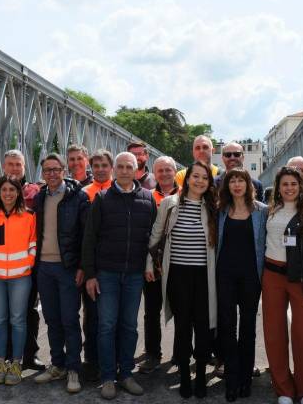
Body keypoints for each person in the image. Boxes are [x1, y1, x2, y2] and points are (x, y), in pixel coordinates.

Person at [82, 152, 157, 400]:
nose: (125, 171)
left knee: (129, 326)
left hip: (134, 274)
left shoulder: (148, 199)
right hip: (107, 274)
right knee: (106, 325)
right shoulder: (102, 199)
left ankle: (125, 373)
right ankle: (107, 377)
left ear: (137, 170)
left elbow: (153, 240)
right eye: (121, 166)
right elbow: (90, 238)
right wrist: (91, 275)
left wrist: (151, 266)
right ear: (115, 170)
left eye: (129, 167)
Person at [146, 161, 218, 399]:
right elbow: (156, 236)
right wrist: (149, 265)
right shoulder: (170, 204)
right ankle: (185, 375)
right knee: (183, 326)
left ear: (209, 183)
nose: (199, 181)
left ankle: (200, 373)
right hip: (177, 275)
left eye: (204, 178)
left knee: (203, 326)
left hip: (204, 275)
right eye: (195, 176)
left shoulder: (213, 206)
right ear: (186, 179)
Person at [263, 166, 303, 404]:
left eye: (293, 184)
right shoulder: (269, 211)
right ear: (278, 187)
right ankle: (284, 390)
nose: (289, 188)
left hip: (300, 279)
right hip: (272, 275)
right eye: (284, 184)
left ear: (301, 187)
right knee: (274, 333)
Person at [32, 153, 89, 393]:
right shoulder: (39, 197)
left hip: (67, 268)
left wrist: (82, 267)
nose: (52, 174)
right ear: (43, 174)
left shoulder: (78, 197)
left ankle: (73, 368)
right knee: (52, 319)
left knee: (69, 319)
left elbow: (87, 237)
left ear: (63, 170)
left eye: (56, 169)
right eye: (47, 170)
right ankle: (58, 364)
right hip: (44, 267)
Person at [215, 167, 268, 401]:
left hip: (251, 277)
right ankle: (232, 378)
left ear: (249, 185)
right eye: (232, 181)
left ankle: (246, 379)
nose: (236, 184)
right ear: (227, 185)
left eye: (241, 180)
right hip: (225, 275)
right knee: (227, 327)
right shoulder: (220, 211)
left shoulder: (261, 212)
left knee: (248, 328)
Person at [0, 177, 37, 386]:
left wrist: (28, 264)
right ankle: (1, 361)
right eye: (4, 189)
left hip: (20, 277)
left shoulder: (29, 217)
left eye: (12, 190)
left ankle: (16, 363)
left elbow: (33, 243)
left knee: (18, 320)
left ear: (18, 193)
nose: (7, 193)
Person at [2, 149, 43, 370]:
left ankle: (30, 355)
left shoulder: (35, 193)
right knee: (4, 313)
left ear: (24, 168)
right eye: (10, 164)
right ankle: (8, 354)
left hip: (27, 265)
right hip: (1, 265)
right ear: (4, 166)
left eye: (18, 165)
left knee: (28, 311)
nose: (14, 168)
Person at [139, 155, 178, 375]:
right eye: (160, 170)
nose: (164, 174)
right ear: (154, 173)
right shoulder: (146, 197)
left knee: (182, 310)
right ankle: (153, 354)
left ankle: (181, 353)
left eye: (168, 170)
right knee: (151, 311)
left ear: (175, 172)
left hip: (178, 262)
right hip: (153, 262)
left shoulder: (186, 195)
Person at [80, 148, 114, 381]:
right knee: (91, 316)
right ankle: (91, 361)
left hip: (113, 265)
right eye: (96, 166)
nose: (100, 169)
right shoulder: (84, 194)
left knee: (113, 319)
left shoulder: (119, 190)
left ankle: (113, 361)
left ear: (111, 167)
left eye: (104, 165)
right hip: (91, 264)